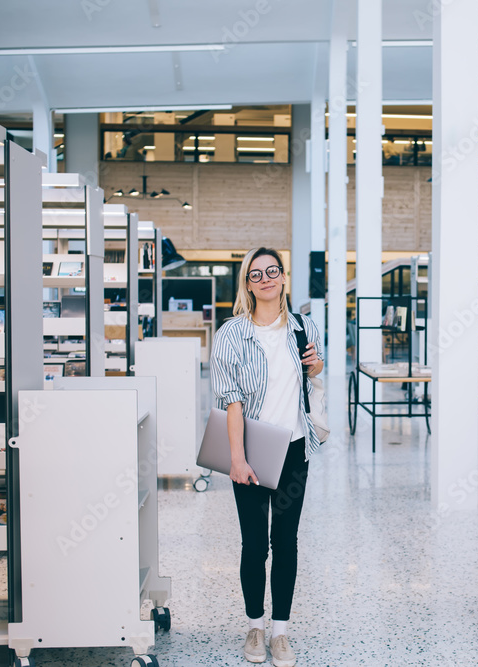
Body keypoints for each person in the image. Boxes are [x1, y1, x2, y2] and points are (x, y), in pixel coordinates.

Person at [210, 247, 324, 667]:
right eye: (256, 274)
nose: (266, 279)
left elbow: (311, 377)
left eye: (272, 271)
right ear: (248, 283)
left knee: (286, 543)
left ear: (283, 277)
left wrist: (315, 366)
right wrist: (237, 458)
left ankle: (280, 633)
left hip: (294, 449)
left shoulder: (303, 326)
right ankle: (254, 627)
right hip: (252, 451)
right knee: (255, 544)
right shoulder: (231, 334)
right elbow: (232, 401)